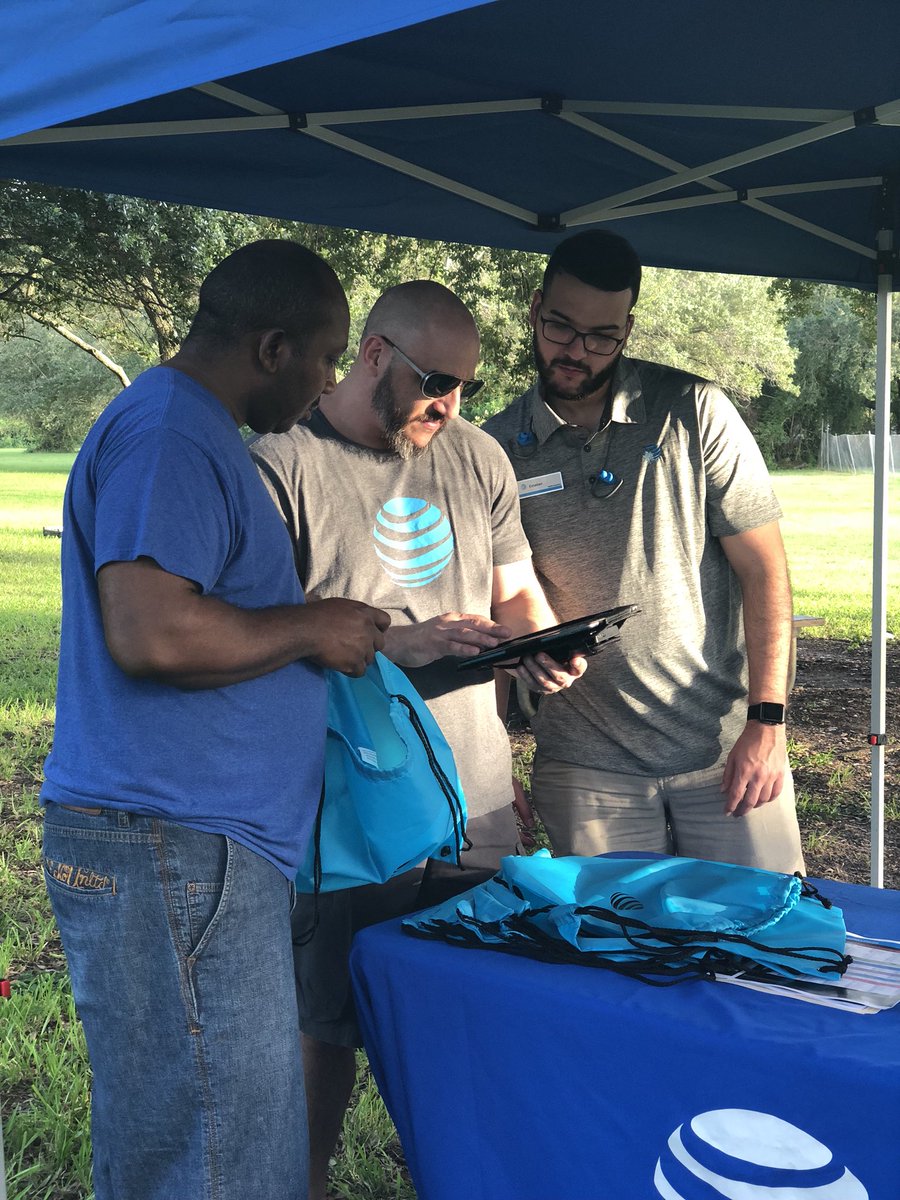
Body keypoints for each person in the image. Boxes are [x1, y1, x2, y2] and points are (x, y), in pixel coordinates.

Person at [40, 239, 390, 1200]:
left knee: (187, 1143)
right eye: (324, 357)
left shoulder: (188, 429)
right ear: (274, 347)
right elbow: (153, 631)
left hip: (186, 851)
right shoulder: (172, 432)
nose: (326, 383)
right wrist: (312, 623)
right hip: (172, 848)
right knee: (220, 1162)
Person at [250, 279, 584, 1200]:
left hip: (473, 797)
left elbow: (513, 587)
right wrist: (399, 641)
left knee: (469, 1007)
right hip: (350, 807)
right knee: (330, 1022)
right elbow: (264, 630)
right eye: (438, 380)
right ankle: (305, 1182)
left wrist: (540, 646)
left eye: (469, 385)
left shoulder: (476, 457)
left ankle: (461, 1175)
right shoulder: (280, 464)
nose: (453, 404)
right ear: (373, 354)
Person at [483, 230, 805, 873]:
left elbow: (764, 569)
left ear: (628, 328)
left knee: (763, 953)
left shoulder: (696, 412)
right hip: (584, 768)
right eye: (561, 327)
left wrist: (767, 724)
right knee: (620, 960)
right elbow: (492, 610)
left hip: (723, 754)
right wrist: (493, 766)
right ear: (534, 309)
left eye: (602, 336)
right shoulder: (493, 449)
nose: (577, 351)